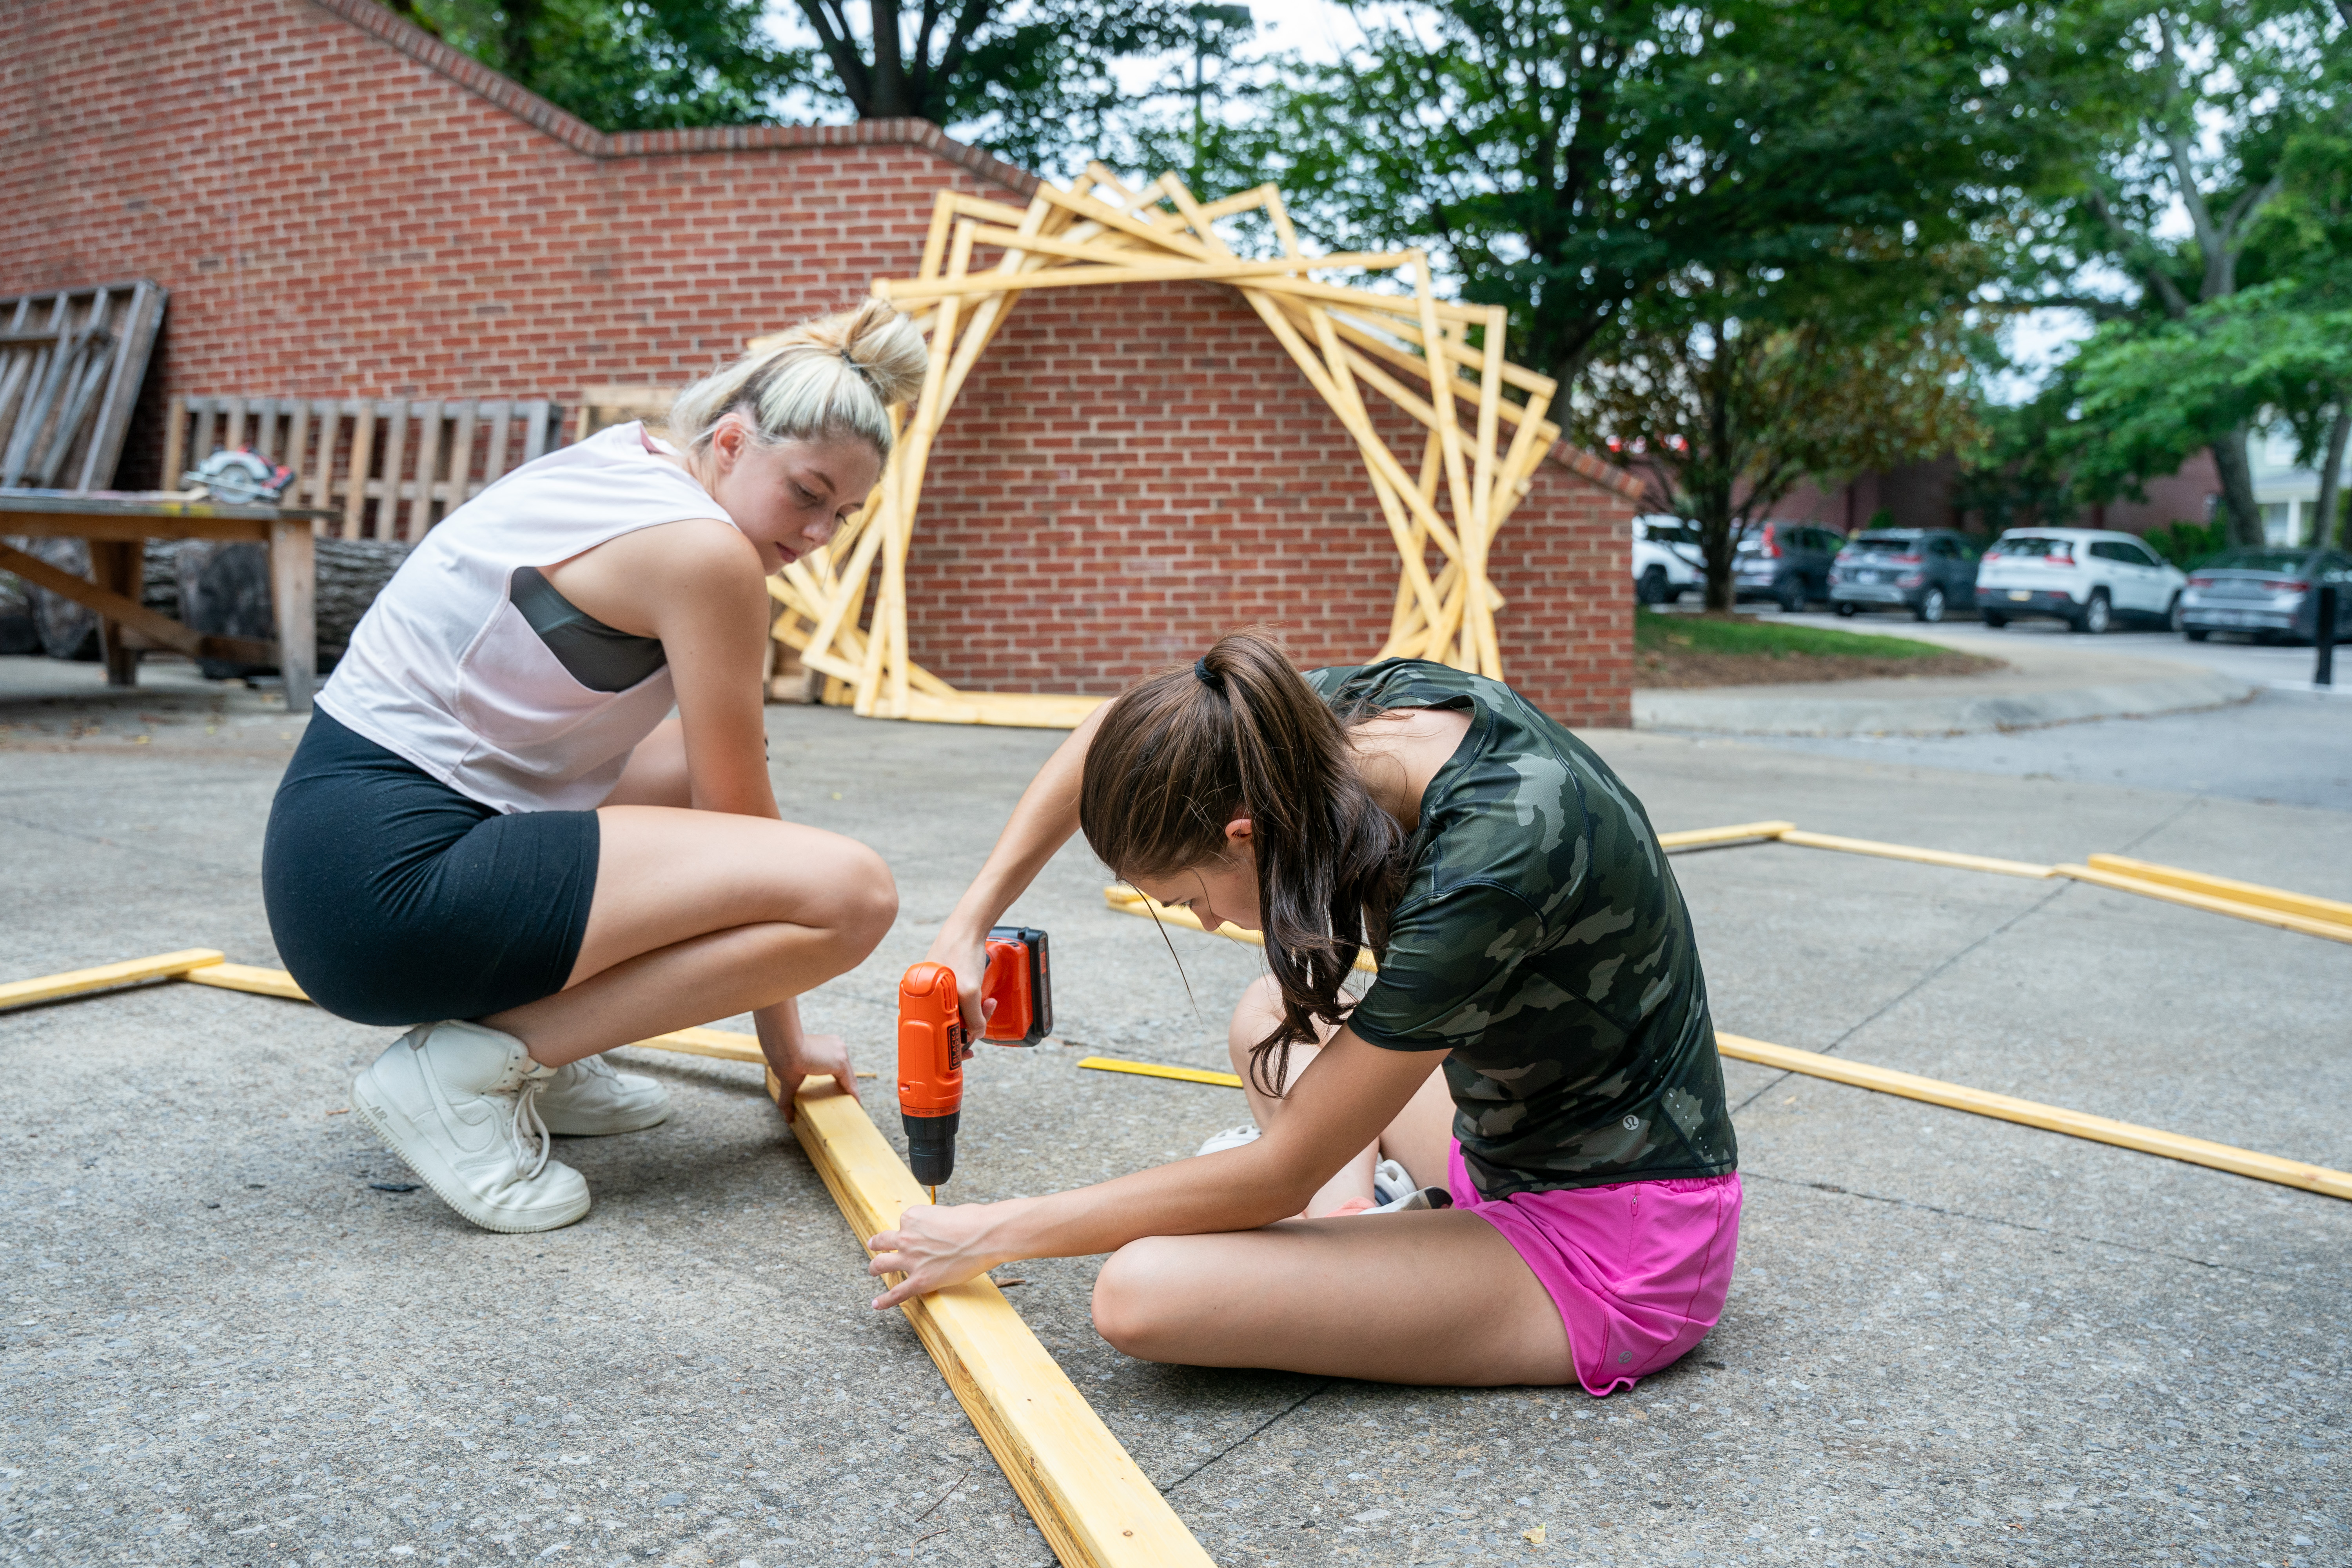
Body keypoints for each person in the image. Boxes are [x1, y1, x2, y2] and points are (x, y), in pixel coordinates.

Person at [869, 630, 1740, 1392]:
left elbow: (1279, 1172)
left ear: (1244, 833)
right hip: (1513, 1139)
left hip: (1616, 1241)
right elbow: (1116, 728)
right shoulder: (1318, 730)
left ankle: (1376, 1242)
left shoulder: (1489, 861)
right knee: (1267, 1011)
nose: (1206, 919)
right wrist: (966, 925)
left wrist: (990, 1231)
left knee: (1142, 1291)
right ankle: (1364, 1231)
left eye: (1188, 898)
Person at [261, 303, 923, 1235]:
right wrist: (788, 1043)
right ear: (731, 442)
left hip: (329, 861)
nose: (819, 533)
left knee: (679, 763)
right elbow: (744, 831)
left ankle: (554, 1051)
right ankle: (471, 1068)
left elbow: (708, 782)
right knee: (848, 894)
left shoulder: (628, 462)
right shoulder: (707, 553)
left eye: (843, 514)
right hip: (388, 900)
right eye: (808, 493)